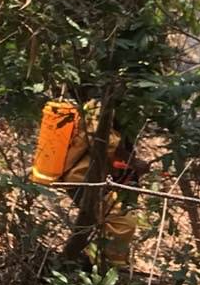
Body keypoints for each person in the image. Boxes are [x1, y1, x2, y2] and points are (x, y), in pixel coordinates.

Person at [55, 102, 149, 268]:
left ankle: (90, 262)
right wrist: (133, 161)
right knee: (123, 223)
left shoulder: (108, 107)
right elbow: (104, 141)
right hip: (81, 179)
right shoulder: (100, 107)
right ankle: (105, 267)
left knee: (101, 222)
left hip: (93, 179)